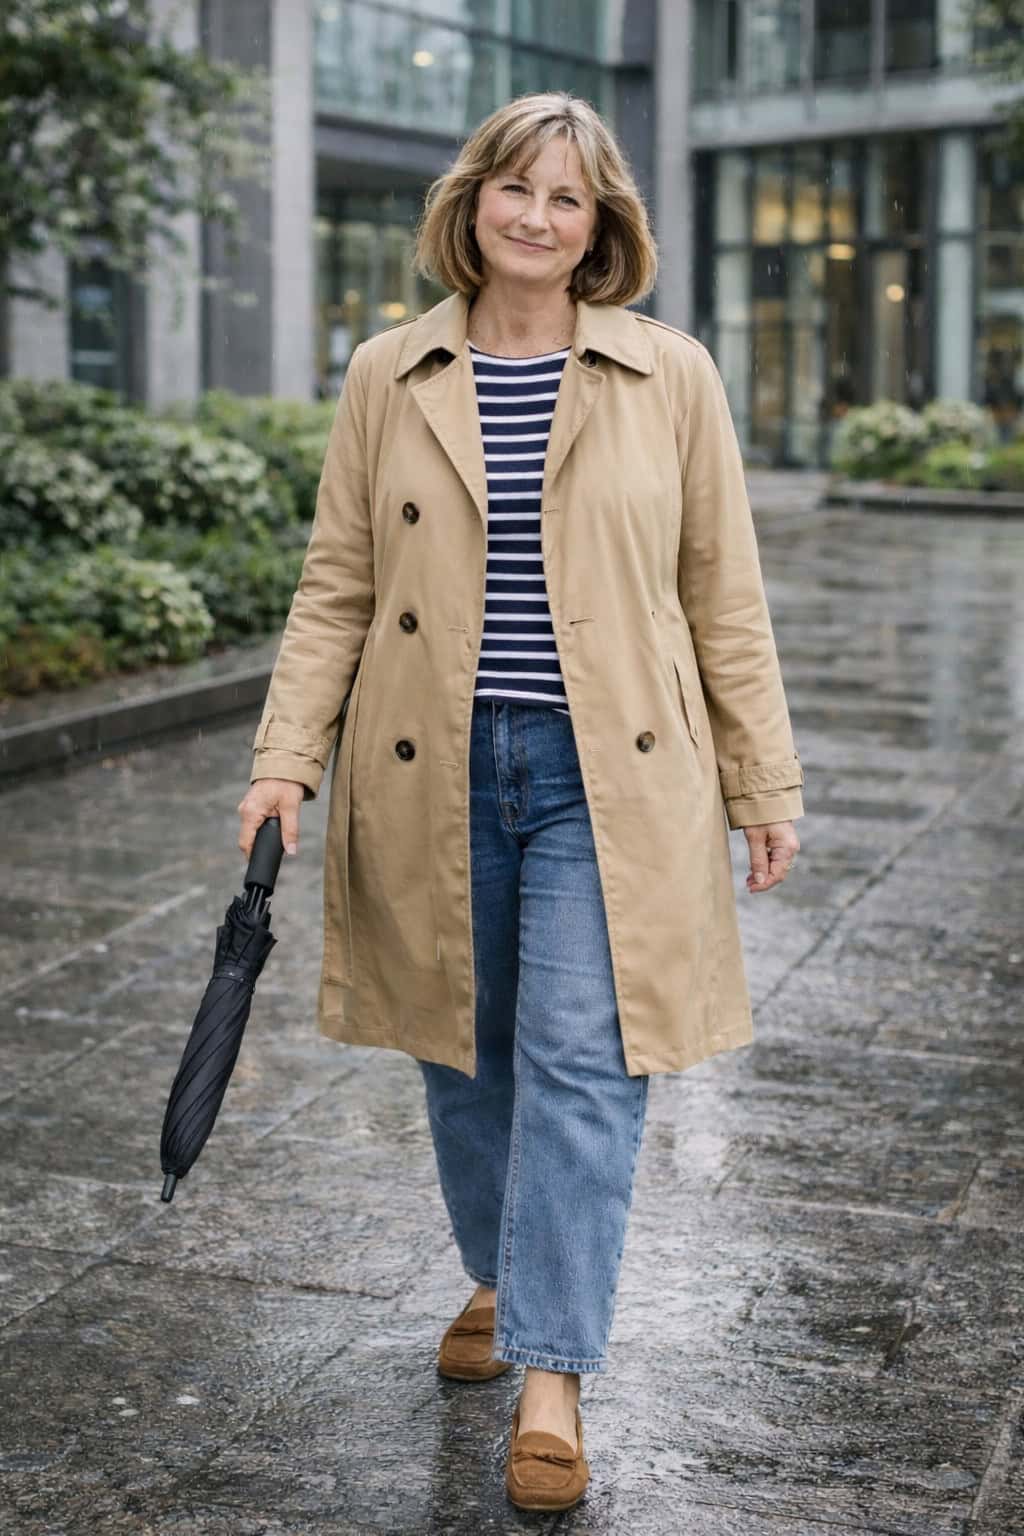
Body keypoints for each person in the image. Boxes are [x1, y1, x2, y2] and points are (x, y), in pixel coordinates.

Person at [238, 91, 804, 1514]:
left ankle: (550, 1374)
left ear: (601, 223)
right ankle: (502, 1271)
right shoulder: (391, 371)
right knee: (461, 1050)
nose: (538, 217)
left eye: (569, 198)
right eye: (516, 189)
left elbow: (721, 594)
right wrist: (281, 761)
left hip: (607, 774)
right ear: (473, 201)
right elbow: (338, 587)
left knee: (579, 1057)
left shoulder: (667, 375)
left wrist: (762, 780)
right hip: (426, 761)